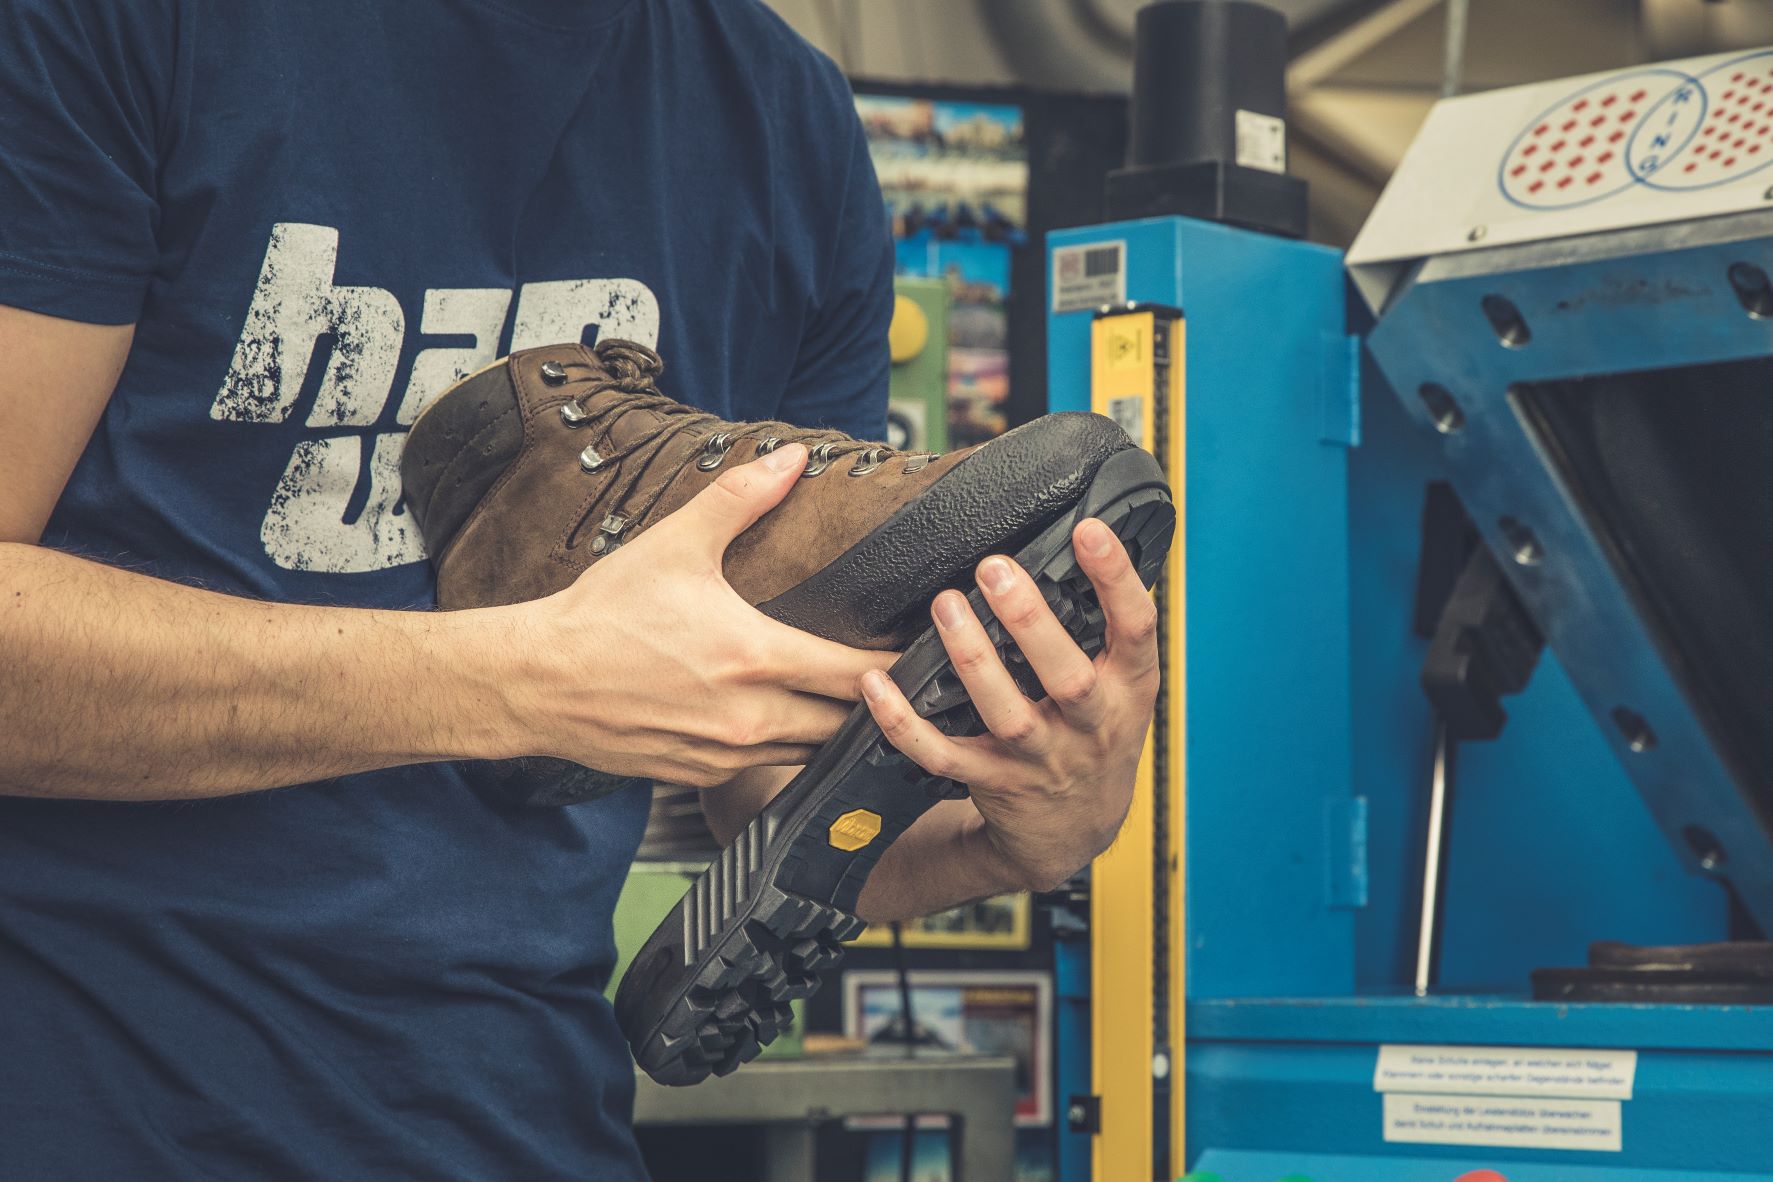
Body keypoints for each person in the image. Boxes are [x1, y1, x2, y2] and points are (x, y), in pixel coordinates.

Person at [0, 1, 1161, 1177]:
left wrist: (1008, 831)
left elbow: (764, 771)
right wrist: (518, 686)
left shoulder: (786, 121)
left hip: (520, 1115)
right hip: (81, 1101)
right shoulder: (117, 28)